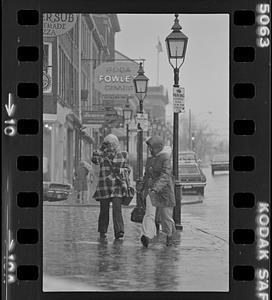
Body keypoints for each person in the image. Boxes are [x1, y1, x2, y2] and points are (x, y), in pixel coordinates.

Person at [91, 134, 131, 241]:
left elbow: (128, 170)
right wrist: (101, 148)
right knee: (104, 210)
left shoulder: (122, 154)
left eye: (113, 143)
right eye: (108, 143)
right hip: (104, 186)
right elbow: (95, 160)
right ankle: (103, 230)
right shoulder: (102, 154)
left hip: (117, 186)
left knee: (117, 209)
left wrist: (120, 171)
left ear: (116, 143)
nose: (111, 145)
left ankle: (119, 232)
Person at [140, 135, 176, 247]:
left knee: (166, 217)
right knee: (149, 214)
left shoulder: (165, 158)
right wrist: (142, 187)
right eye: (149, 147)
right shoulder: (150, 159)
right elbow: (147, 175)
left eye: (152, 147)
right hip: (152, 192)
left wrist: (156, 188)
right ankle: (147, 235)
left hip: (164, 192)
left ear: (158, 147)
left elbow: (165, 175)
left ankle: (169, 235)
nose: (150, 150)